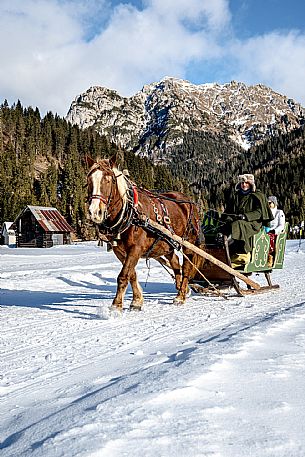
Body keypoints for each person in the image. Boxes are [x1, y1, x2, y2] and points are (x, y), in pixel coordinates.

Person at [221, 173, 274, 268]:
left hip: (254, 223)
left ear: (251, 184)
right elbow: (229, 211)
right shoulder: (236, 196)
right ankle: (225, 252)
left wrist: (245, 216)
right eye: (242, 183)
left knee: (238, 224)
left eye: (246, 183)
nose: (244, 185)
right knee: (226, 225)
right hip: (238, 221)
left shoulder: (257, 196)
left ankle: (243, 254)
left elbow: (259, 212)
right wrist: (227, 219)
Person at [265, 196, 286, 266]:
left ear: (274, 203)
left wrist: (275, 231)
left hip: (274, 232)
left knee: (269, 237)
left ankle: (270, 256)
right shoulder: (265, 213)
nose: (268, 205)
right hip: (265, 231)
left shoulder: (279, 212)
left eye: (270, 203)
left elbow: (281, 225)